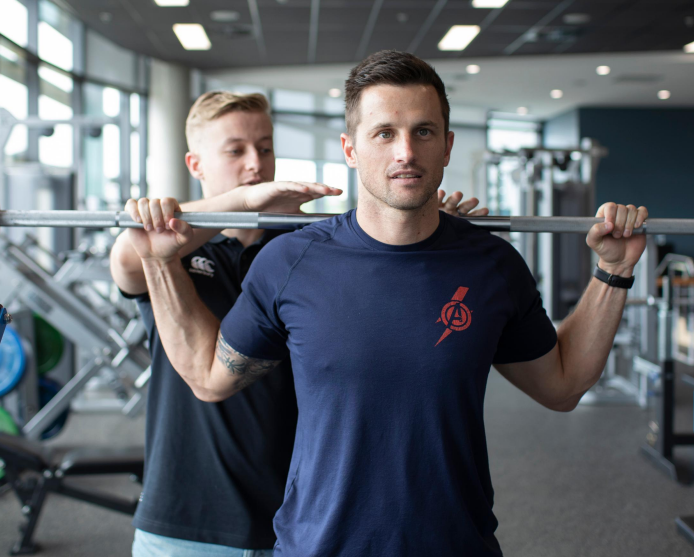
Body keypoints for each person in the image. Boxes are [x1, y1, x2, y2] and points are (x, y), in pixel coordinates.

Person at [125, 51, 649, 556]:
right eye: (384, 133)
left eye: (423, 132)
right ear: (350, 149)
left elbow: (562, 386)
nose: (405, 152)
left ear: (446, 145)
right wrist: (158, 262)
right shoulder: (289, 261)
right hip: (318, 548)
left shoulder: (491, 265)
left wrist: (614, 270)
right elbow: (209, 378)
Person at [110, 90, 486, 556]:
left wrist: (429, 227)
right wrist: (245, 200)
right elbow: (131, 256)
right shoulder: (170, 249)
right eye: (236, 150)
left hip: (295, 517)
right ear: (195, 164)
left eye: (264, 148)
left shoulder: (303, 253)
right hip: (185, 518)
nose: (255, 162)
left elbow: (384, 284)